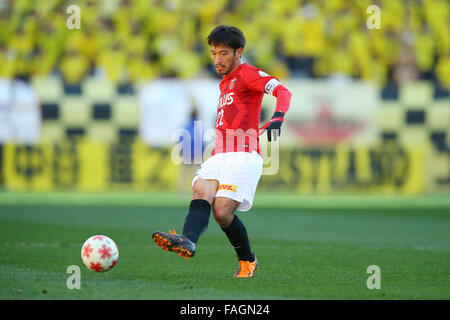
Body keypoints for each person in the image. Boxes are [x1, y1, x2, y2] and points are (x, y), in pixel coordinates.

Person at [152, 25, 292, 278]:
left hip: (244, 153)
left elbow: (283, 90)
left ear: (239, 53)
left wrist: (278, 115)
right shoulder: (224, 83)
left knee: (222, 211)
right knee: (200, 191)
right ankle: (188, 239)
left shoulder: (248, 74)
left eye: (224, 53)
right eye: (214, 53)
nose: (217, 59)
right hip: (219, 154)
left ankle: (248, 261)